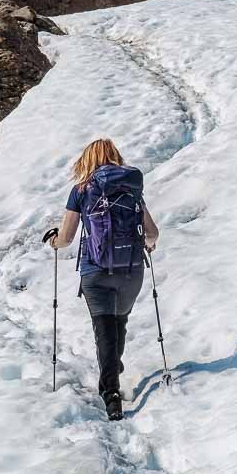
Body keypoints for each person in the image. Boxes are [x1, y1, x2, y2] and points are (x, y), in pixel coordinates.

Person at [45, 138, 158, 420]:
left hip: (95, 271)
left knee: (104, 328)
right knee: (119, 322)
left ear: (88, 160)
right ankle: (113, 374)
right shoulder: (131, 188)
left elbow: (67, 238)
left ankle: (111, 394)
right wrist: (149, 244)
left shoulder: (81, 190)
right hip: (131, 270)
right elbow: (153, 232)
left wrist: (54, 242)